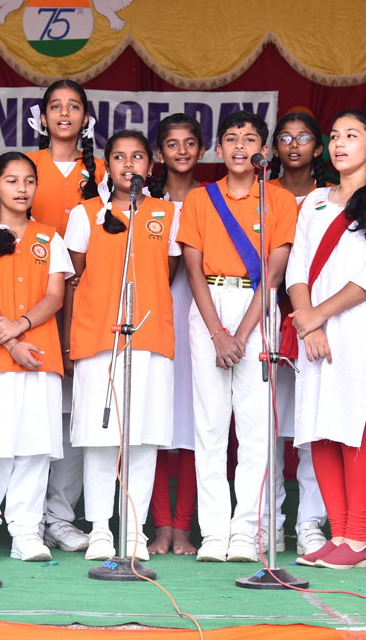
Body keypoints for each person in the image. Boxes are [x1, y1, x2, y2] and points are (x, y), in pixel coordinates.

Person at [176, 111, 297, 562]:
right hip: (210, 306)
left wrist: (241, 336)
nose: (240, 146)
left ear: (264, 150)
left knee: (255, 427)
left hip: (257, 308)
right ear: (218, 149)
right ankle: (214, 533)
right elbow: (192, 269)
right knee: (210, 426)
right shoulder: (200, 199)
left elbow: (274, 274)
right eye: (230, 138)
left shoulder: (280, 199)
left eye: (249, 139)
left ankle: (247, 530)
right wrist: (217, 334)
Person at [287, 109, 366, 570]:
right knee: (318, 430)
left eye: (351, 136)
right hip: (313, 330)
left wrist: (317, 316)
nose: (339, 143)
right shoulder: (315, 199)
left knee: (352, 429)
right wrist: (310, 323)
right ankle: (338, 535)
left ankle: (357, 541)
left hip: (357, 329)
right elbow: (297, 267)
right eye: (334, 136)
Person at [64, 130, 179, 561]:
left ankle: (134, 531)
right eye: (118, 157)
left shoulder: (168, 213)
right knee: (101, 438)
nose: (128, 165)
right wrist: (69, 342)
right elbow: (76, 278)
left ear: (151, 165)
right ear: (106, 166)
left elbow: (167, 271)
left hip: (149, 337)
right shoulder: (86, 214)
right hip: (99, 339)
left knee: (143, 440)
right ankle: (99, 529)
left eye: (137, 157)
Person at [0, 152, 72, 562]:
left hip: (38, 355)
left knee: (35, 447)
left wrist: (20, 326)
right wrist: (10, 343)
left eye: (29, 181)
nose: (22, 189)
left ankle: (26, 532)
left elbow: (55, 296)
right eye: (12, 180)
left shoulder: (50, 238)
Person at [27, 80, 107, 552]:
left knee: (76, 415)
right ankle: (26, 515)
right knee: (36, 413)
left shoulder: (101, 170)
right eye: (55, 106)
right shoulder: (26, 166)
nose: (64, 113)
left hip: (86, 305)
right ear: (42, 118)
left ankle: (60, 515)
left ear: (86, 118)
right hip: (31, 304)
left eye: (73, 106)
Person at [265, 111, 330, 556]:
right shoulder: (261, 193)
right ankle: (268, 522)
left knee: (313, 429)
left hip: (318, 321)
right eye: (285, 137)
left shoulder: (332, 197)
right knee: (267, 428)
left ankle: (310, 523)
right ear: (273, 148)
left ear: (318, 148)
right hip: (267, 316)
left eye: (303, 137)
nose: (293, 144)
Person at [147, 114, 204, 556]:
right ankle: (160, 526)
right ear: (158, 154)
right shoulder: (146, 204)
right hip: (153, 316)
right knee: (152, 424)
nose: (181, 151)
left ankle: (183, 527)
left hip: (200, 315)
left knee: (191, 423)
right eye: (172, 143)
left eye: (189, 143)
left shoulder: (211, 200)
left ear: (202, 150)